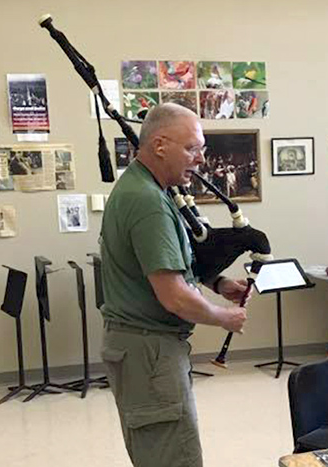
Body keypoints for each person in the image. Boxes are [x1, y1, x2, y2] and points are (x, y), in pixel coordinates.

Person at [100, 103, 249, 467]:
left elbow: (162, 264)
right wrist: (224, 317)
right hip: (150, 352)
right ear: (161, 145)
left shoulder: (146, 188)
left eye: (202, 149)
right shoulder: (148, 201)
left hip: (141, 350)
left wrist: (218, 283)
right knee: (172, 458)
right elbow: (174, 297)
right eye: (192, 148)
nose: (199, 159)